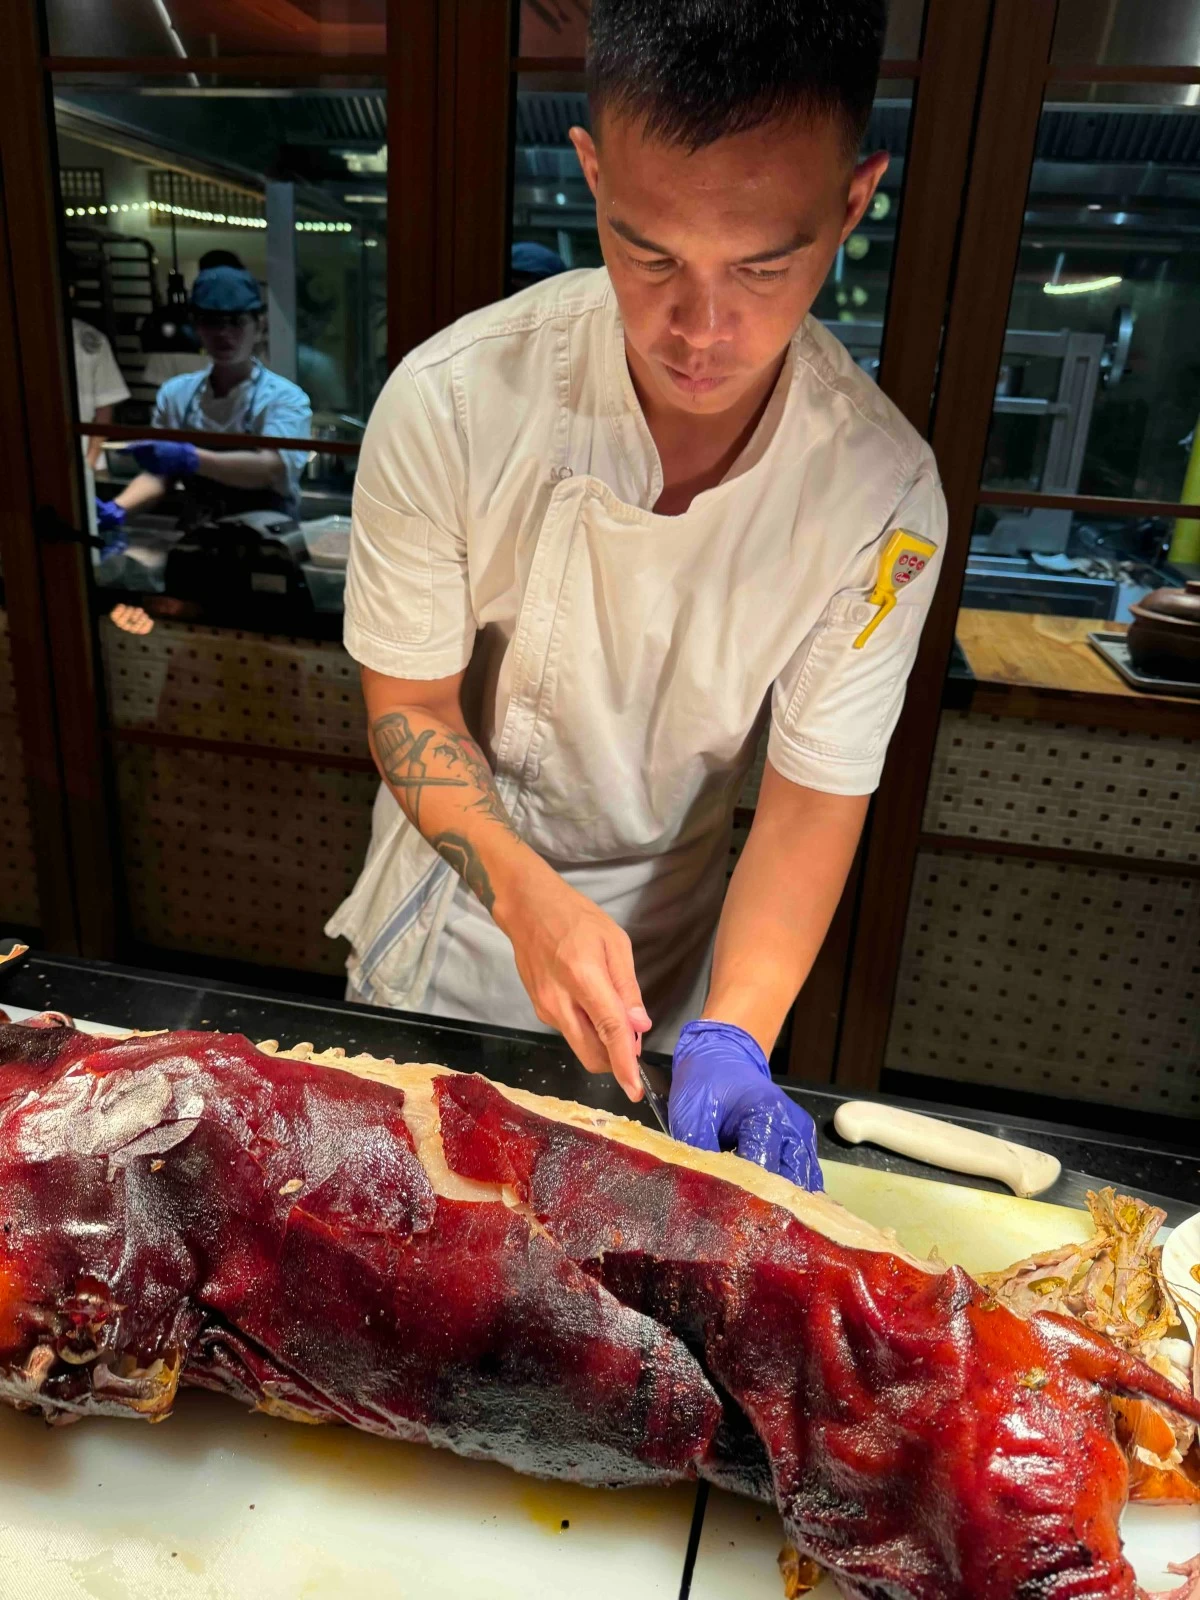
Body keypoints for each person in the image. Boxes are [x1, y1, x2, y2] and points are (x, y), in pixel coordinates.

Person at [327, 0, 946, 1189]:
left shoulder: (880, 493)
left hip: (671, 950)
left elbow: (815, 799)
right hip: (455, 920)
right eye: (647, 250)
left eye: (766, 264)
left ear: (856, 202)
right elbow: (408, 703)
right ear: (593, 171)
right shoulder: (453, 403)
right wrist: (523, 893)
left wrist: (735, 1026)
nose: (700, 330)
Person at [95, 265, 311, 538]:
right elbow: (160, 474)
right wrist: (119, 508)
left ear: (259, 326)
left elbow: (270, 469)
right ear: (196, 326)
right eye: (211, 321)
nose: (224, 333)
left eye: (236, 321)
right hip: (198, 538)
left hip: (267, 543)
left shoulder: (283, 397)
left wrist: (190, 458)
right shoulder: (176, 394)